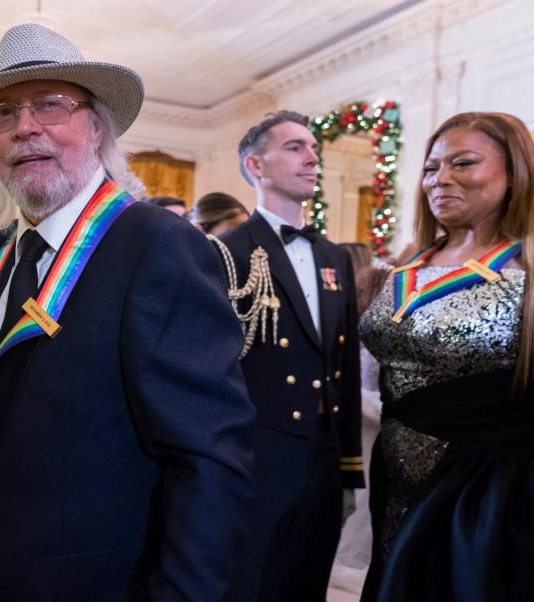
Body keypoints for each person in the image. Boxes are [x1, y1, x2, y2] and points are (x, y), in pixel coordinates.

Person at [0, 23, 254, 602]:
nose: (24, 127)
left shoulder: (158, 245)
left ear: (98, 125)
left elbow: (207, 462)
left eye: (51, 105)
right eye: (2, 113)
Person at [359, 112, 534, 602]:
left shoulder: (527, 267)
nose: (441, 179)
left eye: (464, 163)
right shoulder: (409, 265)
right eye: (432, 167)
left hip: (488, 488)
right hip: (394, 477)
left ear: (515, 171)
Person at [220, 110, 362, 601]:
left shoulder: (335, 257)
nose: (312, 157)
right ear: (256, 166)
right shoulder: (226, 252)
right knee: (251, 580)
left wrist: (348, 462)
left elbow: (338, 362)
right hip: (258, 449)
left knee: (309, 577)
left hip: (322, 453)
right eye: (295, 147)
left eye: (313, 149)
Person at [329, 243, 389, 595]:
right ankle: (349, 566)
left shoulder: (362, 329)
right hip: (367, 430)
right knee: (362, 507)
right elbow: (357, 387)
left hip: (368, 427)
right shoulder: (365, 338)